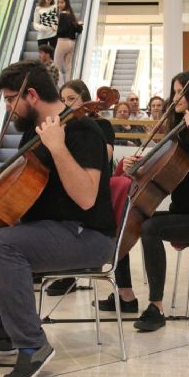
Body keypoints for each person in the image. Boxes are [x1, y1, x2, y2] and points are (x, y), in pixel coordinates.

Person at [0, 60, 115, 377]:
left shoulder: (83, 130)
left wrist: (58, 148)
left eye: (9, 99)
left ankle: (33, 345)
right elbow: (28, 185)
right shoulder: (33, 129)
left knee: (3, 244)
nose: (7, 108)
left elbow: (86, 197)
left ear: (31, 95)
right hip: (49, 229)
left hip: (87, 235)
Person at [97, 70, 189, 332]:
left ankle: (157, 307)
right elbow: (161, 168)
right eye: (174, 92)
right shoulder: (179, 130)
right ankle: (125, 294)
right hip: (181, 212)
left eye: (180, 92)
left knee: (150, 228)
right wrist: (136, 167)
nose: (174, 98)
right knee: (125, 218)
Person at [46, 79, 117, 297]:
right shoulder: (63, 127)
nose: (66, 104)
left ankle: (67, 269)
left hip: (93, 190)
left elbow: (106, 156)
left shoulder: (100, 126)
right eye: (62, 99)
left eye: (71, 98)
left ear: (84, 99)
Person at [54, 0, 83, 86]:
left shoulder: (62, 15)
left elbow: (62, 30)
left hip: (62, 42)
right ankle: (68, 85)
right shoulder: (71, 15)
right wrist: (78, 24)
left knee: (56, 66)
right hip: (71, 43)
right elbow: (78, 29)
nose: (59, 4)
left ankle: (61, 86)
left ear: (66, 3)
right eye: (58, 2)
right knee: (68, 66)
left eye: (62, 2)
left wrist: (56, 29)